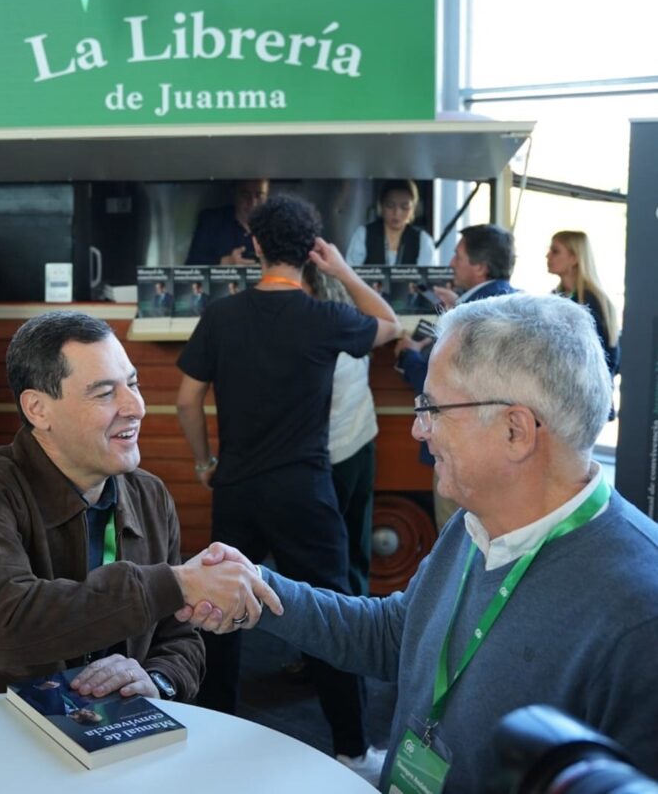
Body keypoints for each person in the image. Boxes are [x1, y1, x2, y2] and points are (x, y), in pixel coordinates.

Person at [188, 293, 658, 793]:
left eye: (432, 408)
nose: (418, 429)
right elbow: (401, 636)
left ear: (516, 431)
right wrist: (258, 590)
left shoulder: (639, 612)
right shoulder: (476, 521)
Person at [0, 311, 281, 703]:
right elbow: (7, 627)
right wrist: (177, 583)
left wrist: (158, 680)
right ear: (37, 409)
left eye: (133, 384)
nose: (135, 407)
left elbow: (179, 638)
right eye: (104, 393)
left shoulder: (150, 495)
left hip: (113, 733)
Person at [175, 195, 400, 776]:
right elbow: (390, 325)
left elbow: (186, 398)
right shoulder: (325, 318)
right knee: (332, 617)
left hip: (239, 486)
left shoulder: (223, 315)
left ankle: (209, 743)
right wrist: (342, 271)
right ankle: (351, 750)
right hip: (304, 491)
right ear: (310, 252)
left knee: (221, 615)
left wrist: (204, 463)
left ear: (254, 247)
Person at [395, 223, 517, 530]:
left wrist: (408, 356)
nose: (450, 263)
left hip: (462, 452)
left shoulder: (473, 317)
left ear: (480, 266)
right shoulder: (513, 304)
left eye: (458, 256)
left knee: (457, 540)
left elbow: (444, 388)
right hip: (502, 451)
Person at [304, 265, 378, 597]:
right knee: (355, 545)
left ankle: (337, 632)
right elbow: (385, 317)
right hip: (361, 442)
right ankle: (360, 616)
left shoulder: (314, 332)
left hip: (329, 454)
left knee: (327, 553)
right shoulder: (353, 324)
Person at [547, 230, 620, 377]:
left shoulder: (591, 301)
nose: (547, 255)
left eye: (555, 251)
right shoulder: (556, 297)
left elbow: (608, 359)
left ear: (574, 258)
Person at [345, 179, 438, 267]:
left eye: (404, 207)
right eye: (390, 205)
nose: (397, 213)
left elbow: (428, 278)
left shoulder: (423, 240)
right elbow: (349, 272)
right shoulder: (363, 234)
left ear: (413, 209)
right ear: (381, 205)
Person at [185, 178, 269, 265]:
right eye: (245, 195)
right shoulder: (212, 221)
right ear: (234, 193)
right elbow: (191, 265)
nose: (253, 203)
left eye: (259, 196)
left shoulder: (275, 225)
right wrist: (224, 262)